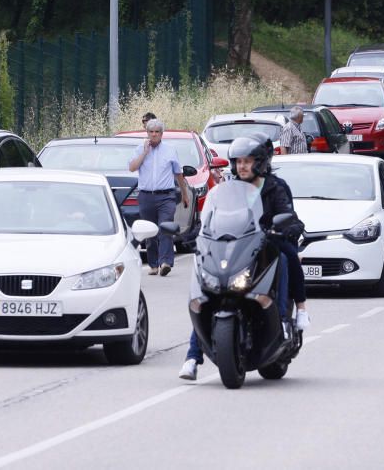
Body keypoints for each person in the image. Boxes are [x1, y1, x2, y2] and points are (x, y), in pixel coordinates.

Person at [179, 136, 309, 381]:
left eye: (248, 161)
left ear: (260, 162)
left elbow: (288, 214)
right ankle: (192, 356)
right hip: (238, 248)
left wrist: (286, 226)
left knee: (286, 256)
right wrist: (194, 235)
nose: (243, 167)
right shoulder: (227, 189)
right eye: (239, 162)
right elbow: (212, 217)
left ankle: (291, 314)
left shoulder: (275, 187)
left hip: (268, 243)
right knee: (209, 293)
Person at [128, 118, 190, 276]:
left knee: (165, 227)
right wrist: (144, 152)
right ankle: (154, 264)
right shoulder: (139, 149)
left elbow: (178, 173)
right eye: (151, 132)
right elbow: (132, 168)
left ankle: (165, 262)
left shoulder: (170, 150)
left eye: (157, 132)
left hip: (166, 196)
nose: (154, 135)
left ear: (162, 134)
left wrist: (184, 194)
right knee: (150, 231)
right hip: (146, 196)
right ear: (147, 133)